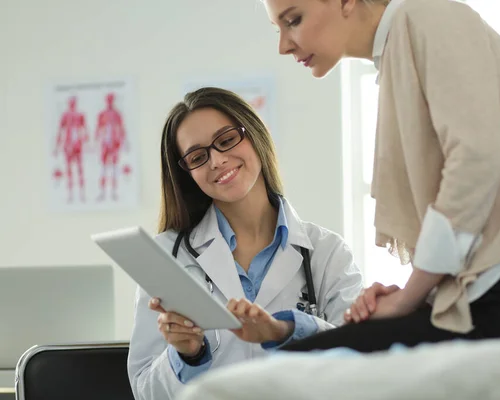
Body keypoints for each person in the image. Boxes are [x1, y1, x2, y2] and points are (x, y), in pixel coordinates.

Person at [263, 0, 500, 352]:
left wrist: (411, 297)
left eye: (293, 20)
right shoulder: (398, 51)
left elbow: (475, 160)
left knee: (301, 361)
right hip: (498, 287)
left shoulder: (427, 15)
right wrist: (422, 294)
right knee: (309, 357)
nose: (284, 46)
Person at [127, 87, 363, 399]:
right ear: (188, 174)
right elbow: (145, 391)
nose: (217, 160)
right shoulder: (166, 256)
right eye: (198, 157)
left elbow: (359, 366)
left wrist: (290, 331)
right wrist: (186, 356)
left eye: (226, 140)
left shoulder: (327, 253)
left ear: (253, 134)